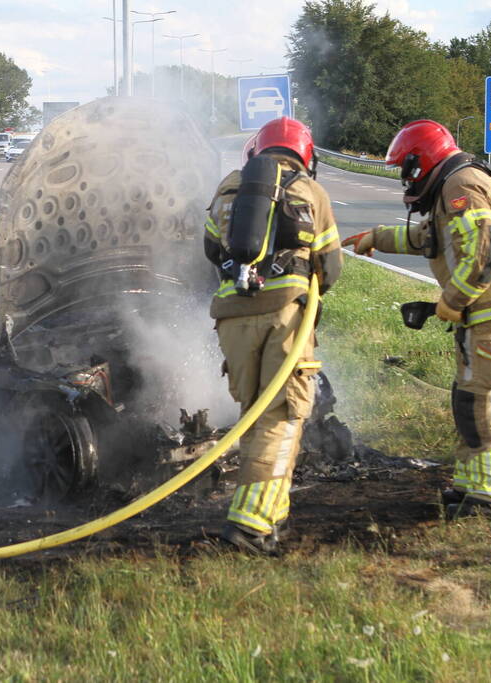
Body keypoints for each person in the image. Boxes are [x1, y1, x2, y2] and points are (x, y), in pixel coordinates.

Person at [345, 119, 491, 517]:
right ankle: (473, 487)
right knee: (470, 402)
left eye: (407, 168)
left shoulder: (462, 186)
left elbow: (486, 252)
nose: (406, 179)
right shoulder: (451, 185)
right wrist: (376, 237)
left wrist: (453, 301)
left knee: (486, 405)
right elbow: (431, 238)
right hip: (487, 311)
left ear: (422, 160)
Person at [205, 116, 342, 554]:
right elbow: (331, 268)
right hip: (284, 317)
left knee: (255, 413)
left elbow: (210, 249)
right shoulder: (309, 190)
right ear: (305, 154)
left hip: (231, 318)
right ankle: (251, 525)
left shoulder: (228, 186)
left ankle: (272, 512)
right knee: (281, 414)